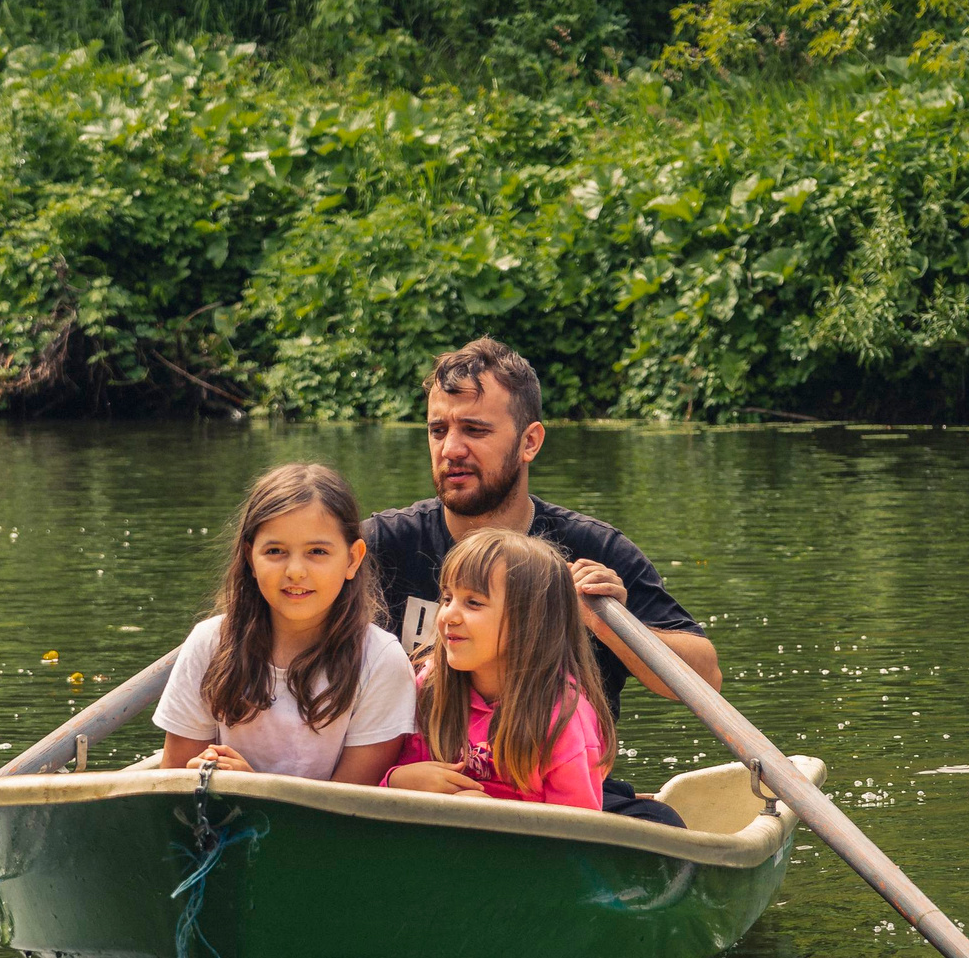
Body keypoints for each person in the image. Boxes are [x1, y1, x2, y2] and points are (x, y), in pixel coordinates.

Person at [363, 338, 720, 825]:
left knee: (662, 827)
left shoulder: (593, 550)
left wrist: (603, 621)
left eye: (474, 429)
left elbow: (704, 682)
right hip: (416, 790)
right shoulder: (377, 547)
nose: (450, 449)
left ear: (529, 441)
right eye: (437, 429)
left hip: (557, 799)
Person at [156, 462, 416, 783]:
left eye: (317, 551)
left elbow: (350, 811)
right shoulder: (209, 643)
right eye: (275, 551)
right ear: (251, 558)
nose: (295, 570)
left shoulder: (381, 661)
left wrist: (253, 787)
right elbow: (172, 784)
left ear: (352, 559)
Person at [382, 529, 614, 808]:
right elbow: (386, 801)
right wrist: (397, 782)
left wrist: (489, 815)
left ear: (529, 621)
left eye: (473, 603)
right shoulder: (430, 687)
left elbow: (578, 837)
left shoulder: (564, 720)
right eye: (446, 599)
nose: (448, 616)